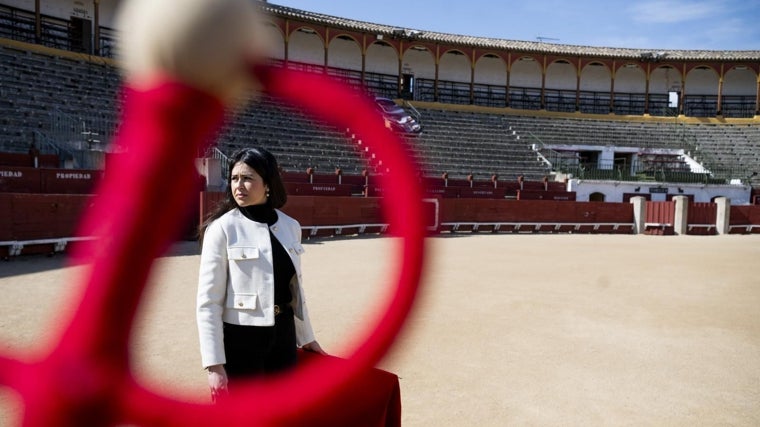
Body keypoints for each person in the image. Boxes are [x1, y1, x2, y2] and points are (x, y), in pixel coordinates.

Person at [197, 147, 326, 401]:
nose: (239, 186)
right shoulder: (221, 229)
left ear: (267, 183)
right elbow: (208, 302)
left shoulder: (290, 226)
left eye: (247, 178)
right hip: (242, 341)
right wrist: (214, 364)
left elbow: (295, 291)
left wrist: (307, 337)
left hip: (284, 336)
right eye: (234, 178)